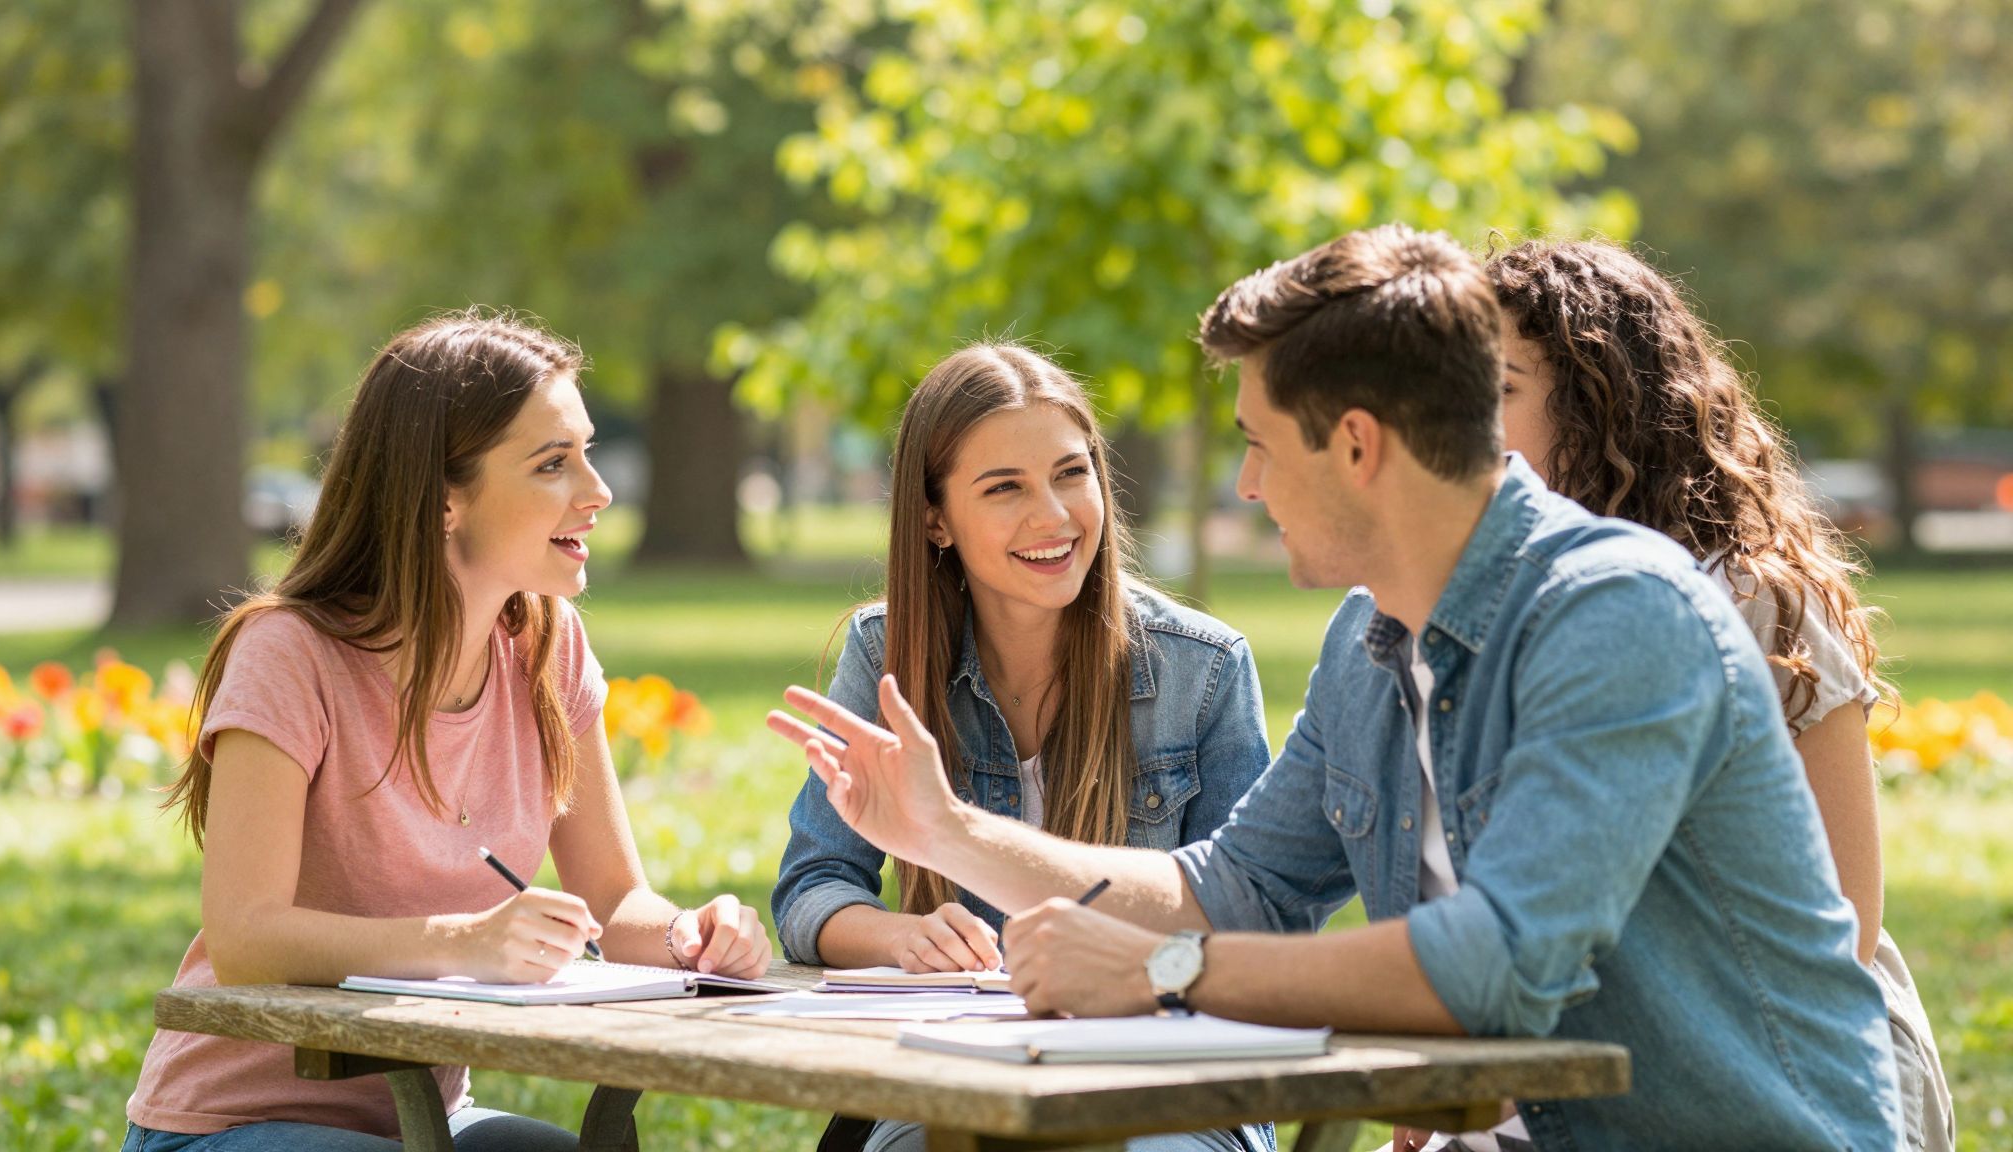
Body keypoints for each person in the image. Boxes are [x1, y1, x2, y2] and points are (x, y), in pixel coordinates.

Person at [768, 226, 1902, 1149]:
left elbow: (1494, 968)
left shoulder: (1615, 615)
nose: (1248, 485)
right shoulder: (1370, 637)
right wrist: (949, 831)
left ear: (1356, 447)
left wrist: (1164, 973)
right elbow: (1235, 881)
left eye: (1259, 445)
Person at [124, 312, 771, 1151]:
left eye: (588, 451)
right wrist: (465, 942)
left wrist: (692, 935)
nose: (597, 491)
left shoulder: (547, 649)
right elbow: (246, 936)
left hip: (419, 1119)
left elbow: (615, 905)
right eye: (552, 463)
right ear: (441, 501)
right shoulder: (290, 653)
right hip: (231, 1124)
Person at [1488, 236, 1954, 1151]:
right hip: (1576, 1061)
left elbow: (1846, 929)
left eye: (1497, 392)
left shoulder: (1753, 602)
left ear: (1599, 407)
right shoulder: (1497, 606)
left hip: (1793, 1066)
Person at [773, 343, 1277, 1152]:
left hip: (1170, 1083)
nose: (1054, 515)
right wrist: (900, 937)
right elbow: (812, 887)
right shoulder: (888, 652)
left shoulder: (1205, 669)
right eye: (1004, 488)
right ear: (934, 517)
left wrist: (1136, 972)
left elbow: (1258, 931)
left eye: (1072, 474)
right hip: (957, 1080)